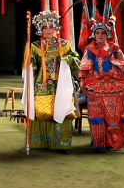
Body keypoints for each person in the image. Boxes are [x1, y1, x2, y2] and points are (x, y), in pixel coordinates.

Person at [77, 0, 124, 154]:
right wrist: (83, 82)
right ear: (94, 34)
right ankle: (100, 143)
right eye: (97, 33)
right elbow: (85, 67)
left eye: (103, 33)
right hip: (95, 83)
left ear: (107, 35)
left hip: (115, 82)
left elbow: (123, 67)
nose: (100, 36)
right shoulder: (89, 49)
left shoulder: (114, 48)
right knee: (97, 115)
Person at [22, 10, 80, 154]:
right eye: (44, 27)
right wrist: (29, 63)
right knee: (41, 111)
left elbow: (76, 61)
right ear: (40, 29)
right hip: (41, 85)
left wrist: (66, 59)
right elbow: (32, 67)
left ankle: (62, 144)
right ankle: (41, 142)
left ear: (56, 27)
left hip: (61, 84)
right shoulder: (35, 46)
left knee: (62, 111)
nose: (48, 30)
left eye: (51, 27)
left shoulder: (65, 45)